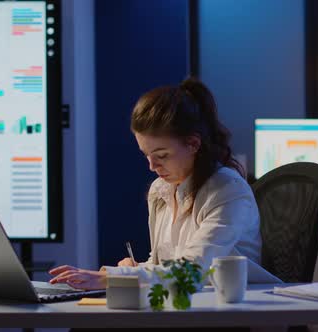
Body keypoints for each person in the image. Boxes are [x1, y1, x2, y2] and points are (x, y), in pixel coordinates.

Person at [49, 77, 281, 290]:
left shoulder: (227, 190)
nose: (152, 166)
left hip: (233, 309)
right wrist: (135, 268)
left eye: (162, 155)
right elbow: (165, 264)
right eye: (146, 155)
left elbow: (192, 271)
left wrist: (113, 277)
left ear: (193, 144)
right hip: (187, 304)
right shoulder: (161, 190)